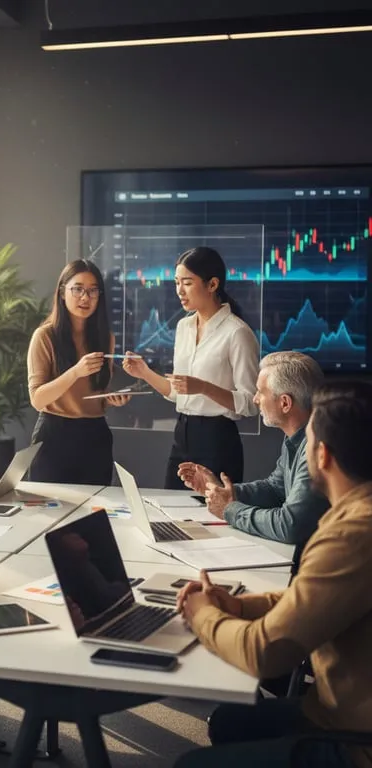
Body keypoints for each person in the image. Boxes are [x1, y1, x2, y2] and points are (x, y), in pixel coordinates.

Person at [174, 380, 372, 768]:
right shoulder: (353, 514)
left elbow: (262, 653)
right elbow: (311, 598)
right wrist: (238, 605)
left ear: (324, 456)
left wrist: (202, 614)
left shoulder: (352, 534)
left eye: (308, 444)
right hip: (335, 709)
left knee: (188, 765)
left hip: (355, 741)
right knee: (230, 723)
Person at [123, 246, 259, 489]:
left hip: (218, 439)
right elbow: (178, 393)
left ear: (212, 284)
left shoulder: (237, 333)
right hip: (183, 434)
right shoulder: (183, 328)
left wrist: (203, 387)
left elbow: (250, 404)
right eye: (176, 282)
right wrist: (143, 372)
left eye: (187, 283)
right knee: (171, 511)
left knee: (214, 519)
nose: (179, 291)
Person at [178, 351, 328, 545]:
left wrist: (229, 509)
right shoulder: (296, 437)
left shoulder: (315, 448)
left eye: (260, 392)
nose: (255, 399)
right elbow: (276, 489)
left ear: (285, 403)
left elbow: (291, 526)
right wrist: (223, 492)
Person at [26, 259, 130, 485]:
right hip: (54, 435)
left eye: (93, 291)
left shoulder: (105, 338)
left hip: (95, 434)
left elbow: (95, 396)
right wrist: (75, 372)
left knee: (94, 514)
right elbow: (37, 399)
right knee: (50, 513)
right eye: (78, 289)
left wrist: (112, 399)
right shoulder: (45, 336)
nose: (85, 297)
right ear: (62, 293)